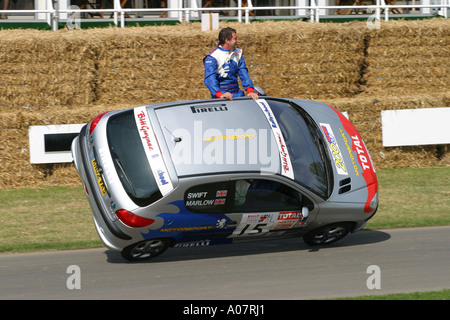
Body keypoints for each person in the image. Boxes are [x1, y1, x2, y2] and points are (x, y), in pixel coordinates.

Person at [203, 27, 259, 100]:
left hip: (237, 94)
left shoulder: (239, 53)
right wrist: (220, 94)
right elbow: (210, 79)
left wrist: (250, 91)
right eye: (235, 39)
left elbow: (243, 73)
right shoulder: (213, 57)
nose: (237, 41)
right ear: (227, 40)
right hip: (221, 96)